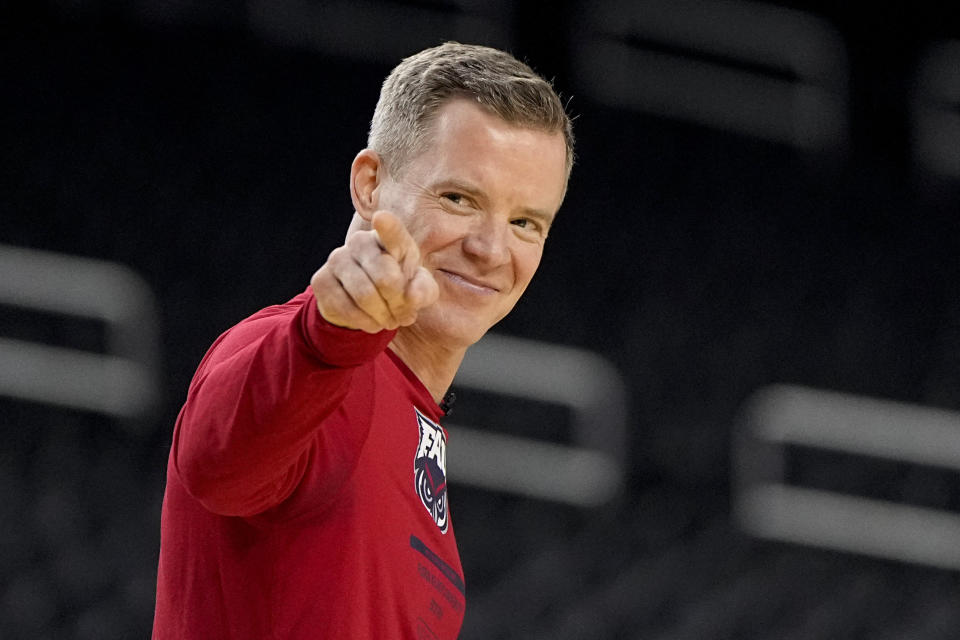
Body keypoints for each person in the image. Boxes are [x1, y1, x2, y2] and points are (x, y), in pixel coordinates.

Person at [152, 41, 574, 639]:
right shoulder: (308, 360)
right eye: (458, 198)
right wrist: (327, 340)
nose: (490, 249)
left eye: (525, 222)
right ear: (371, 184)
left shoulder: (411, 415)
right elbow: (217, 466)